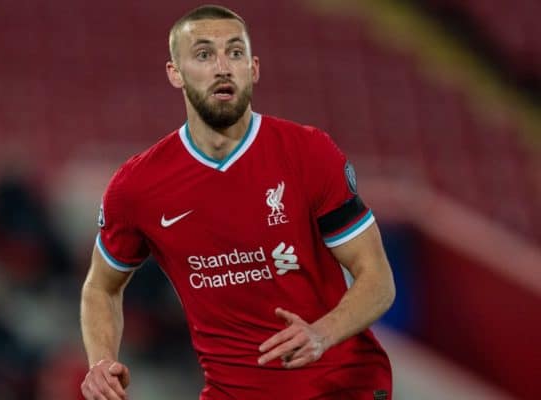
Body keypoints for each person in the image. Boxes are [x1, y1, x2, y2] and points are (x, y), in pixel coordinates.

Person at [80, 5, 396, 400]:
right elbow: (101, 287)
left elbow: (378, 280)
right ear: (175, 73)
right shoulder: (137, 186)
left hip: (343, 386)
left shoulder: (307, 152)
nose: (223, 67)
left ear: (254, 67)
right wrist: (100, 361)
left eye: (235, 52)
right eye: (203, 54)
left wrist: (322, 333)